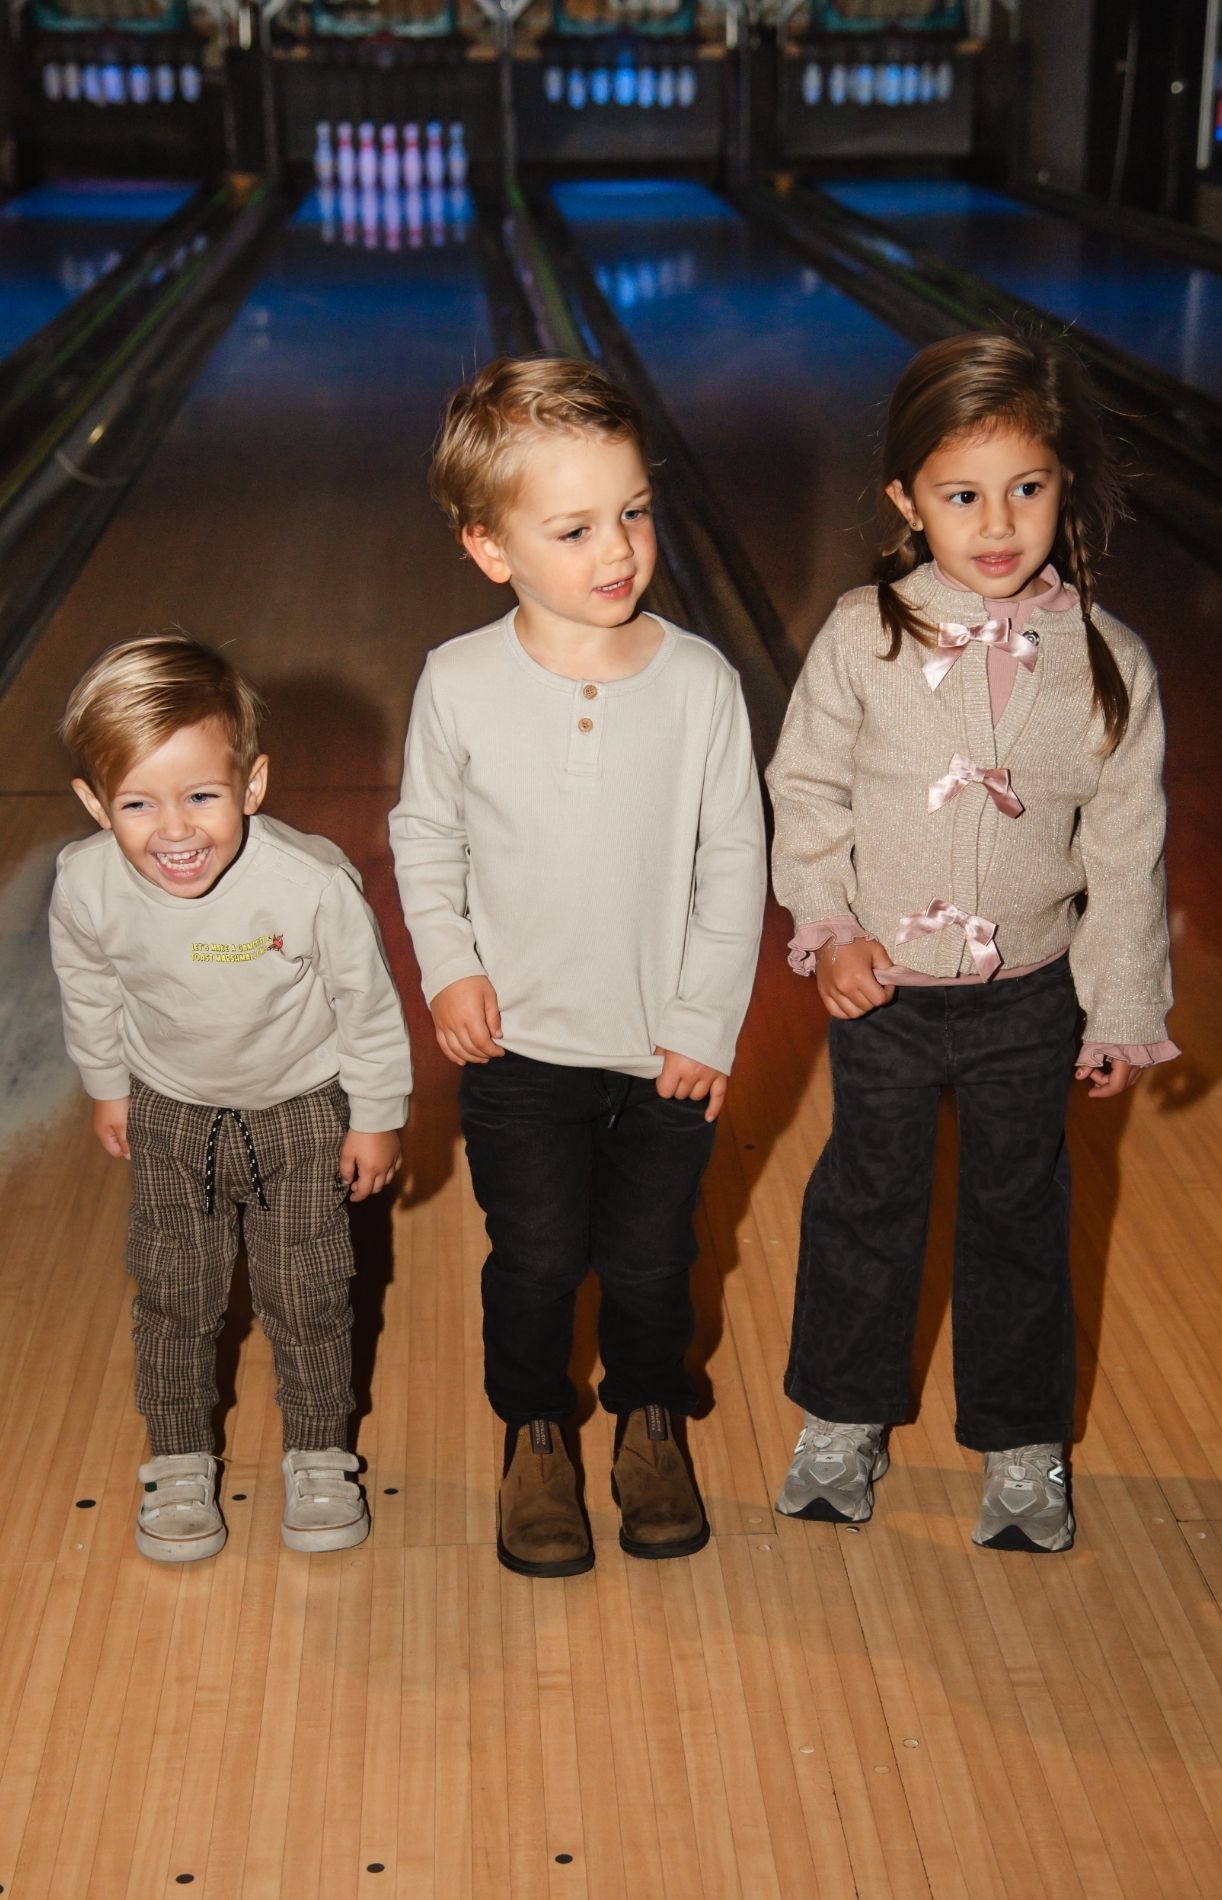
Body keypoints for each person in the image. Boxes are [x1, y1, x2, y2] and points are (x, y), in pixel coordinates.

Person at [767, 329, 1177, 1553]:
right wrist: (828, 927)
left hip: (1029, 994)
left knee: (1018, 1214)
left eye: (1025, 488)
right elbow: (806, 792)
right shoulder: (863, 633)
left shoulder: (1109, 662)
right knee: (866, 1199)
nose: (996, 524)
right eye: (960, 495)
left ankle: (1021, 1439)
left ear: (1063, 486)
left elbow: (1125, 853)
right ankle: (841, 1418)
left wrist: (1119, 1008)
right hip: (884, 989)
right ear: (906, 500)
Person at [390, 356, 766, 1577]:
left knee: (653, 1260)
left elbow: (733, 863)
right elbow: (424, 837)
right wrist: (449, 967)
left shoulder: (700, 684)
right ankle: (535, 1431)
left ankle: (651, 1415)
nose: (618, 548)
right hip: (519, 1049)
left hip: (665, 1051)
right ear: (488, 547)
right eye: (574, 528)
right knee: (538, 1259)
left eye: (634, 511)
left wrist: (705, 1020)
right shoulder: (457, 682)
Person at [50, 634, 411, 1562]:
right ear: (95, 803)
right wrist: (106, 1085)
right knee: (174, 1297)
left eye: (202, 797)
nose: (175, 832)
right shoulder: (86, 883)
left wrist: (377, 1116)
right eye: (138, 803)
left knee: (309, 1295)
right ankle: (178, 1459)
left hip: (302, 1114)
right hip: (170, 1115)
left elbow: (367, 1006)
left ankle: (320, 1454)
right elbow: (89, 986)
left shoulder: (311, 884)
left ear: (252, 784)